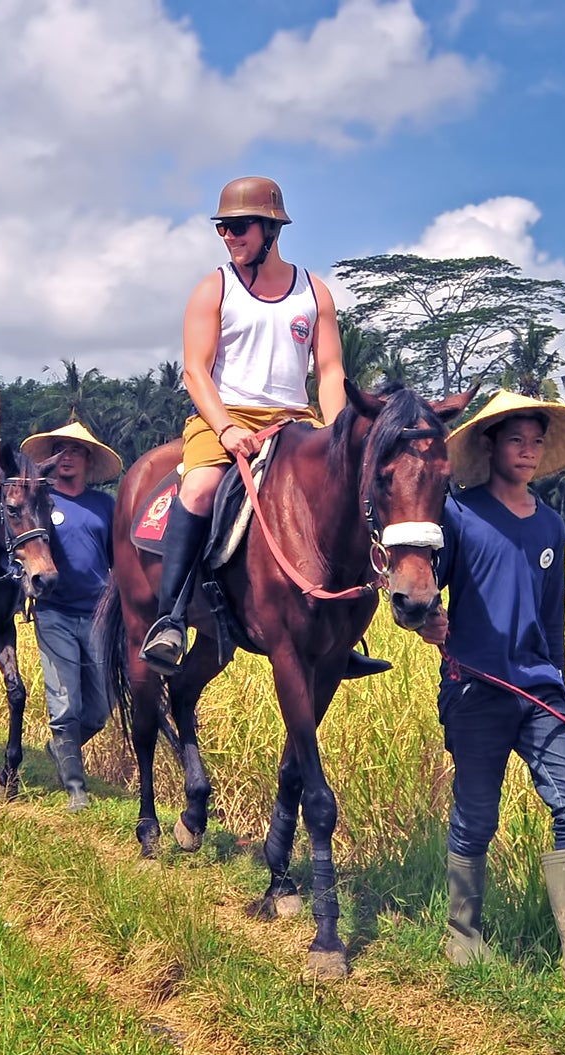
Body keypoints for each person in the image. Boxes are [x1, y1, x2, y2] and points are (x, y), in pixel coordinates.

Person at [415, 390, 565, 993]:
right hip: (476, 688)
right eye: (515, 439)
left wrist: (564, 694)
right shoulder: (458, 515)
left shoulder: (551, 525)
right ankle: (462, 936)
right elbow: (422, 591)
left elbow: (553, 622)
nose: (527, 451)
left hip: (540, 694)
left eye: (535, 441)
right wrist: (426, 622)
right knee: (478, 815)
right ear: (491, 445)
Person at [140, 175, 387, 680]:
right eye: (223, 228)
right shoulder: (215, 287)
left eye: (238, 226)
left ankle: (347, 630)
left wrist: (338, 433)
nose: (229, 236)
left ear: (271, 228)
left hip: (294, 420)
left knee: (345, 495)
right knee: (202, 489)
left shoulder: (313, 291)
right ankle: (170, 618)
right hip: (224, 416)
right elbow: (194, 370)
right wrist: (227, 430)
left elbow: (332, 370)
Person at [19, 421, 120, 811]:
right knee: (65, 704)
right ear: (51, 458)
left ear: (87, 459)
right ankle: (77, 789)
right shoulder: (40, 502)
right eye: (60, 449)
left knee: (98, 710)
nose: (67, 457)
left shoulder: (104, 505)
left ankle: (60, 748)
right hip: (54, 612)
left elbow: (116, 559)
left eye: (75, 451)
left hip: (98, 615)